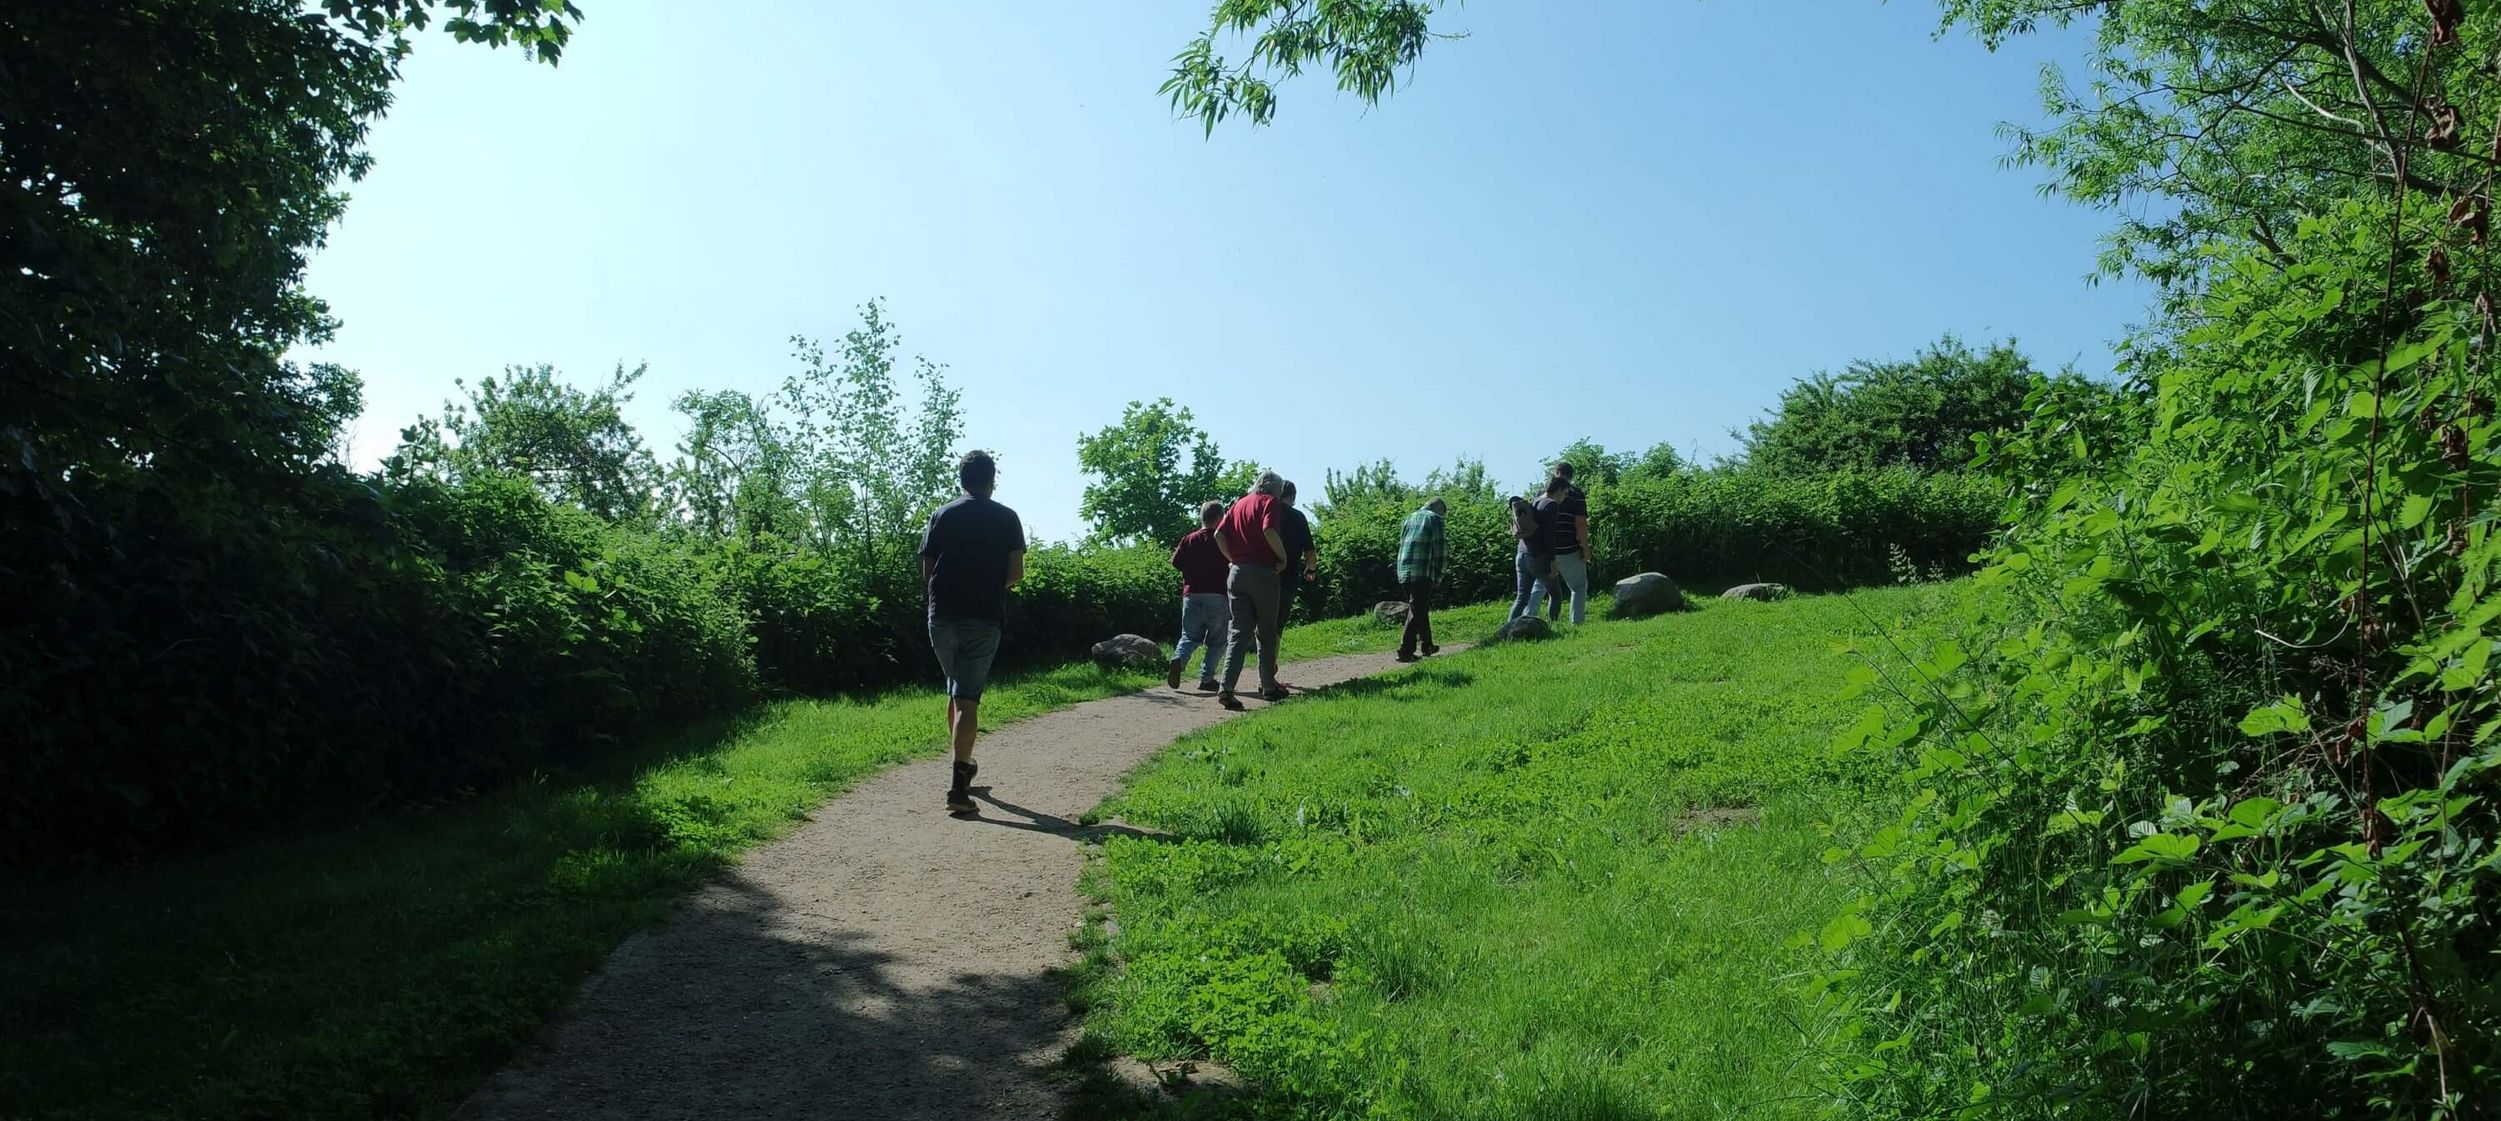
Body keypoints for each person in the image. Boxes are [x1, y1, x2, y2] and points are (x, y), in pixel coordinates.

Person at [918, 449, 1025, 813]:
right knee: (967, 700)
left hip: (941, 617)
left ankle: (963, 768)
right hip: (982, 617)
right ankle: (957, 791)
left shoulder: (941, 514)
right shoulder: (1007, 518)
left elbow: (928, 571)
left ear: (961, 479)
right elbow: (1015, 575)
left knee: (955, 689)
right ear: (992, 480)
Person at [1215, 472, 1294, 710]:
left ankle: (1226, 688)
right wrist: (1282, 557)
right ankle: (1269, 686)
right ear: (1274, 490)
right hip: (1263, 573)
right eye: (1280, 491)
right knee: (1266, 633)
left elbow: (1219, 534)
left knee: (1238, 633)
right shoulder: (1269, 503)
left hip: (1237, 574)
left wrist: (1233, 559)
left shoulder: (1239, 503)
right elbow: (1269, 530)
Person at [1167, 500, 1231, 692]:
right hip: (1217, 595)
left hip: (1191, 595)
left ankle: (1179, 658)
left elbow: (1175, 562)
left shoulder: (1189, 539)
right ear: (1220, 518)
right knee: (1218, 641)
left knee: (1189, 636)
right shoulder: (1223, 539)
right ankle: (1206, 678)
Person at [1274, 481, 1317, 688]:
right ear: (1292, 496)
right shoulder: (1297, 517)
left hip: (1262, 575)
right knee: (1276, 627)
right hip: (1288, 578)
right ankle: (1268, 674)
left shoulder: (1267, 512)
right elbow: (1310, 550)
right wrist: (1311, 569)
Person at [1394, 497, 1447, 662]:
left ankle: (1427, 645)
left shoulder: (1409, 518)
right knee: (1417, 609)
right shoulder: (1435, 519)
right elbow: (1441, 549)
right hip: (1422, 569)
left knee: (1419, 607)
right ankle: (1405, 651)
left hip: (1403, 569)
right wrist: (1439, 574)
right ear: (1439, 510)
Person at [1540, 463, 1591, 624]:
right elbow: (1580, 523)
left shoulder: (1541, 495)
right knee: (1578, 587)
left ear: (1556, 473)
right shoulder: (1576, 494)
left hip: (1544, 550)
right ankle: (1577, 622)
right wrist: (1585, 547)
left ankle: (1526, 621)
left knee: (1539, 589)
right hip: (1568, 549)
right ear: (1571, 475)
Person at [1508, 487, 1558, 620]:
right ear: (1559, 490)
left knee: (1522, 598)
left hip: (1521, 554)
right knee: (1555, 594)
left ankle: (1507, 632)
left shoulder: (1533, 501)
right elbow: (1549, 536)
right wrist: (1552, 561)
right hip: (1537, 556)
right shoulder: (1551, 504)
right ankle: (1552, 628)